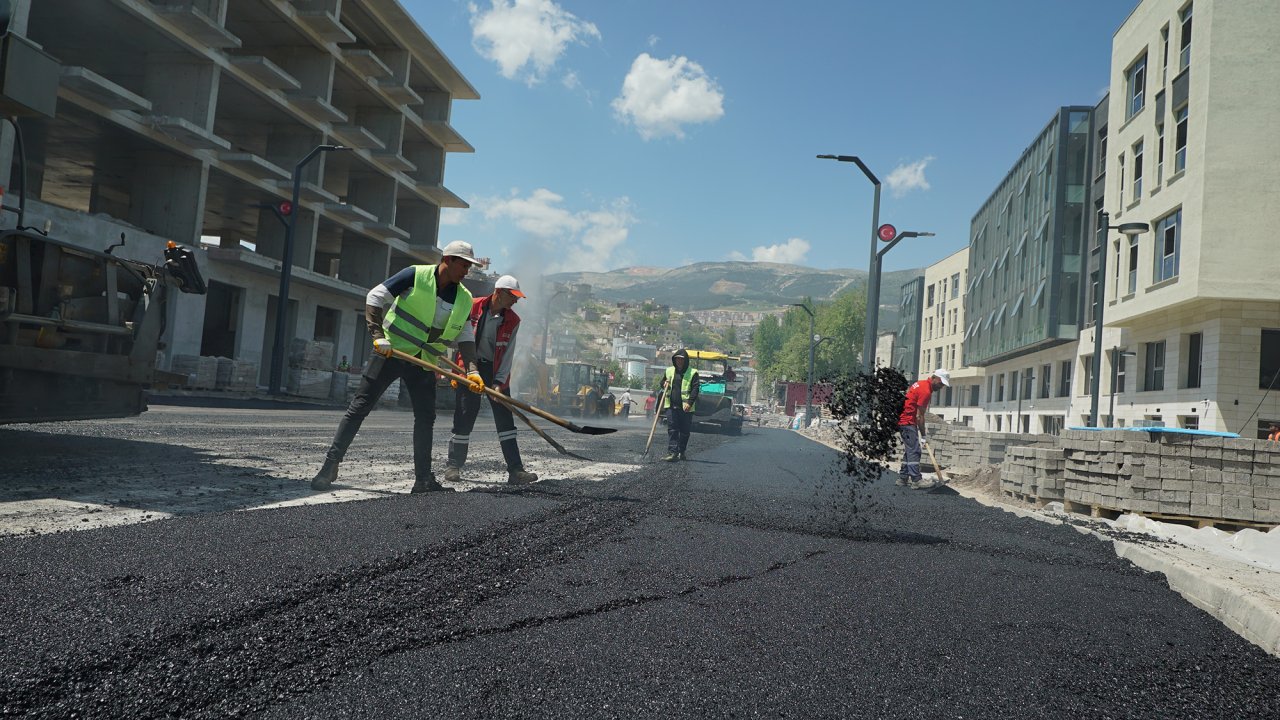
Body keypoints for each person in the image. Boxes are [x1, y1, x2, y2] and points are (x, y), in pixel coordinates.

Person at [311, 241, 484, 493]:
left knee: (426, 418)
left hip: (424, 362)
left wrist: (472, 370)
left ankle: (423, 480)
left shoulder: (464, 298)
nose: (466, 271)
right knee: (359, 408)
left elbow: (466, 335)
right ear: (447, 259)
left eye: (470, 266)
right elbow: (375, 296)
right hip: (390, 352)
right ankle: (329, 467)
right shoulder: (415, 275)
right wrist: (377, 335)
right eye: (463, 264)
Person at [444, 275, 537, 485]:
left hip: (495, 370)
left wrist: (499, 383)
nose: (516, 301)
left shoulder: (513, 320)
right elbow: (458, 338)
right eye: (513, 296)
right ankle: (453, 466)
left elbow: (507, 355)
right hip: (470, 366)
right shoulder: (473, 307)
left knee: (506, 420)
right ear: (499, 292)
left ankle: (516, 470)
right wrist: (462, 371)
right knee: (465, 414)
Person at [897, 368, 950, 488]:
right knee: (915, 450)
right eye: (941, 383)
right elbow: (920, 416)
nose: (941, 387)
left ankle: (903, 478)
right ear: (935, 378)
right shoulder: (925, 391)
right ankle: (916, 480)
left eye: (943, 385)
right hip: (908, 422)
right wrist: (924, 435)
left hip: (904, 421)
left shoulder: (920, 384)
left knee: (910, 450)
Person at [660, 348, 700, 462]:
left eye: (681, 359)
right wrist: (664, 383)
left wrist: (689, 402)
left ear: (685, 360)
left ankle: (681, 451)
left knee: (684, 432)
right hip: (671, 406)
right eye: (677, 359)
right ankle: (672, 452)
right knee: (672, 429)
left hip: (686, 408)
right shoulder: (669, 371)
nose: (679, 361)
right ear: (674, 360)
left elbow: (695, 389)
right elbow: (661, 383)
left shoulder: (693, 373)